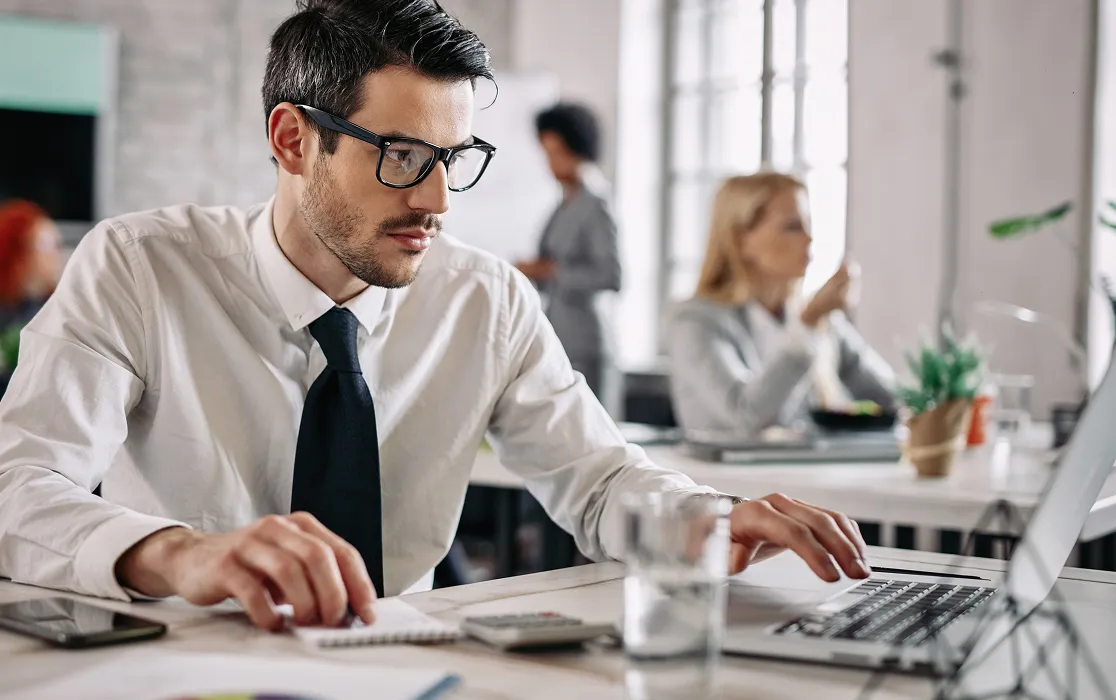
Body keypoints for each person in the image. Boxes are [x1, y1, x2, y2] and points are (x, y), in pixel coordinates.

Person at [0, 1, 870, 634]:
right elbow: (16, 489)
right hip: (183, 669)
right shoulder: (142, 267)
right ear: (294, 140)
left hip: (405, 667)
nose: (438, 200)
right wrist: (183, 554)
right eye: (403, 156)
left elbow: (601, 482)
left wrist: (706, 517)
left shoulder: (484, 299)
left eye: (455, 159)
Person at [668, 173, 895, 436]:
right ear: (742, 240)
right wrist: (808, 324)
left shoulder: (819, 319)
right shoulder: (695, 322)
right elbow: (745, 416)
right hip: (723, 476)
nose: (809, 239)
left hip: (803, 475)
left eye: (809, 224)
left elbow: (893, 397)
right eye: (792, 226)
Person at [516, 103, 621, 417]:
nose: (549, 163)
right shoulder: (564, 204)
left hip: (587, 343)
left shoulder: (595, 204)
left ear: (578, 150)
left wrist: (551, 271)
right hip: (561, 335)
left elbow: (612, 276)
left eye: (556, 153)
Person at [0, 200, 63, 396]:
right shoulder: (7, 309)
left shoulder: (56, 307)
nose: (56, 254)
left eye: (56, 244)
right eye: (46, 245)